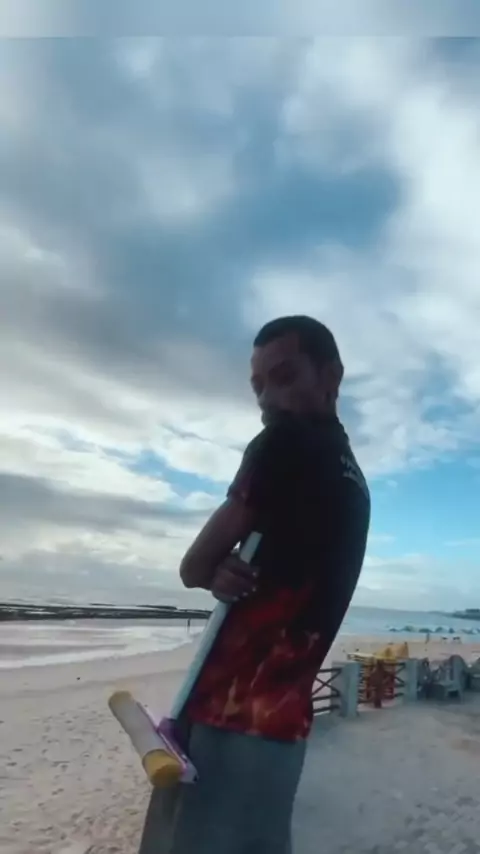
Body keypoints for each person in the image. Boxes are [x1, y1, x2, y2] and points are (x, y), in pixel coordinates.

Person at [138, 315, 370, 854]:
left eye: (284, 377)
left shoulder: (282, 443)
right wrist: (226, 568)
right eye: (259, 386)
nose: (267, 400)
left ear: (331, 376)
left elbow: (192, 567)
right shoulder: (355, 483)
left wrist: (210, 569)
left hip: (229, 713)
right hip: (285, 724)